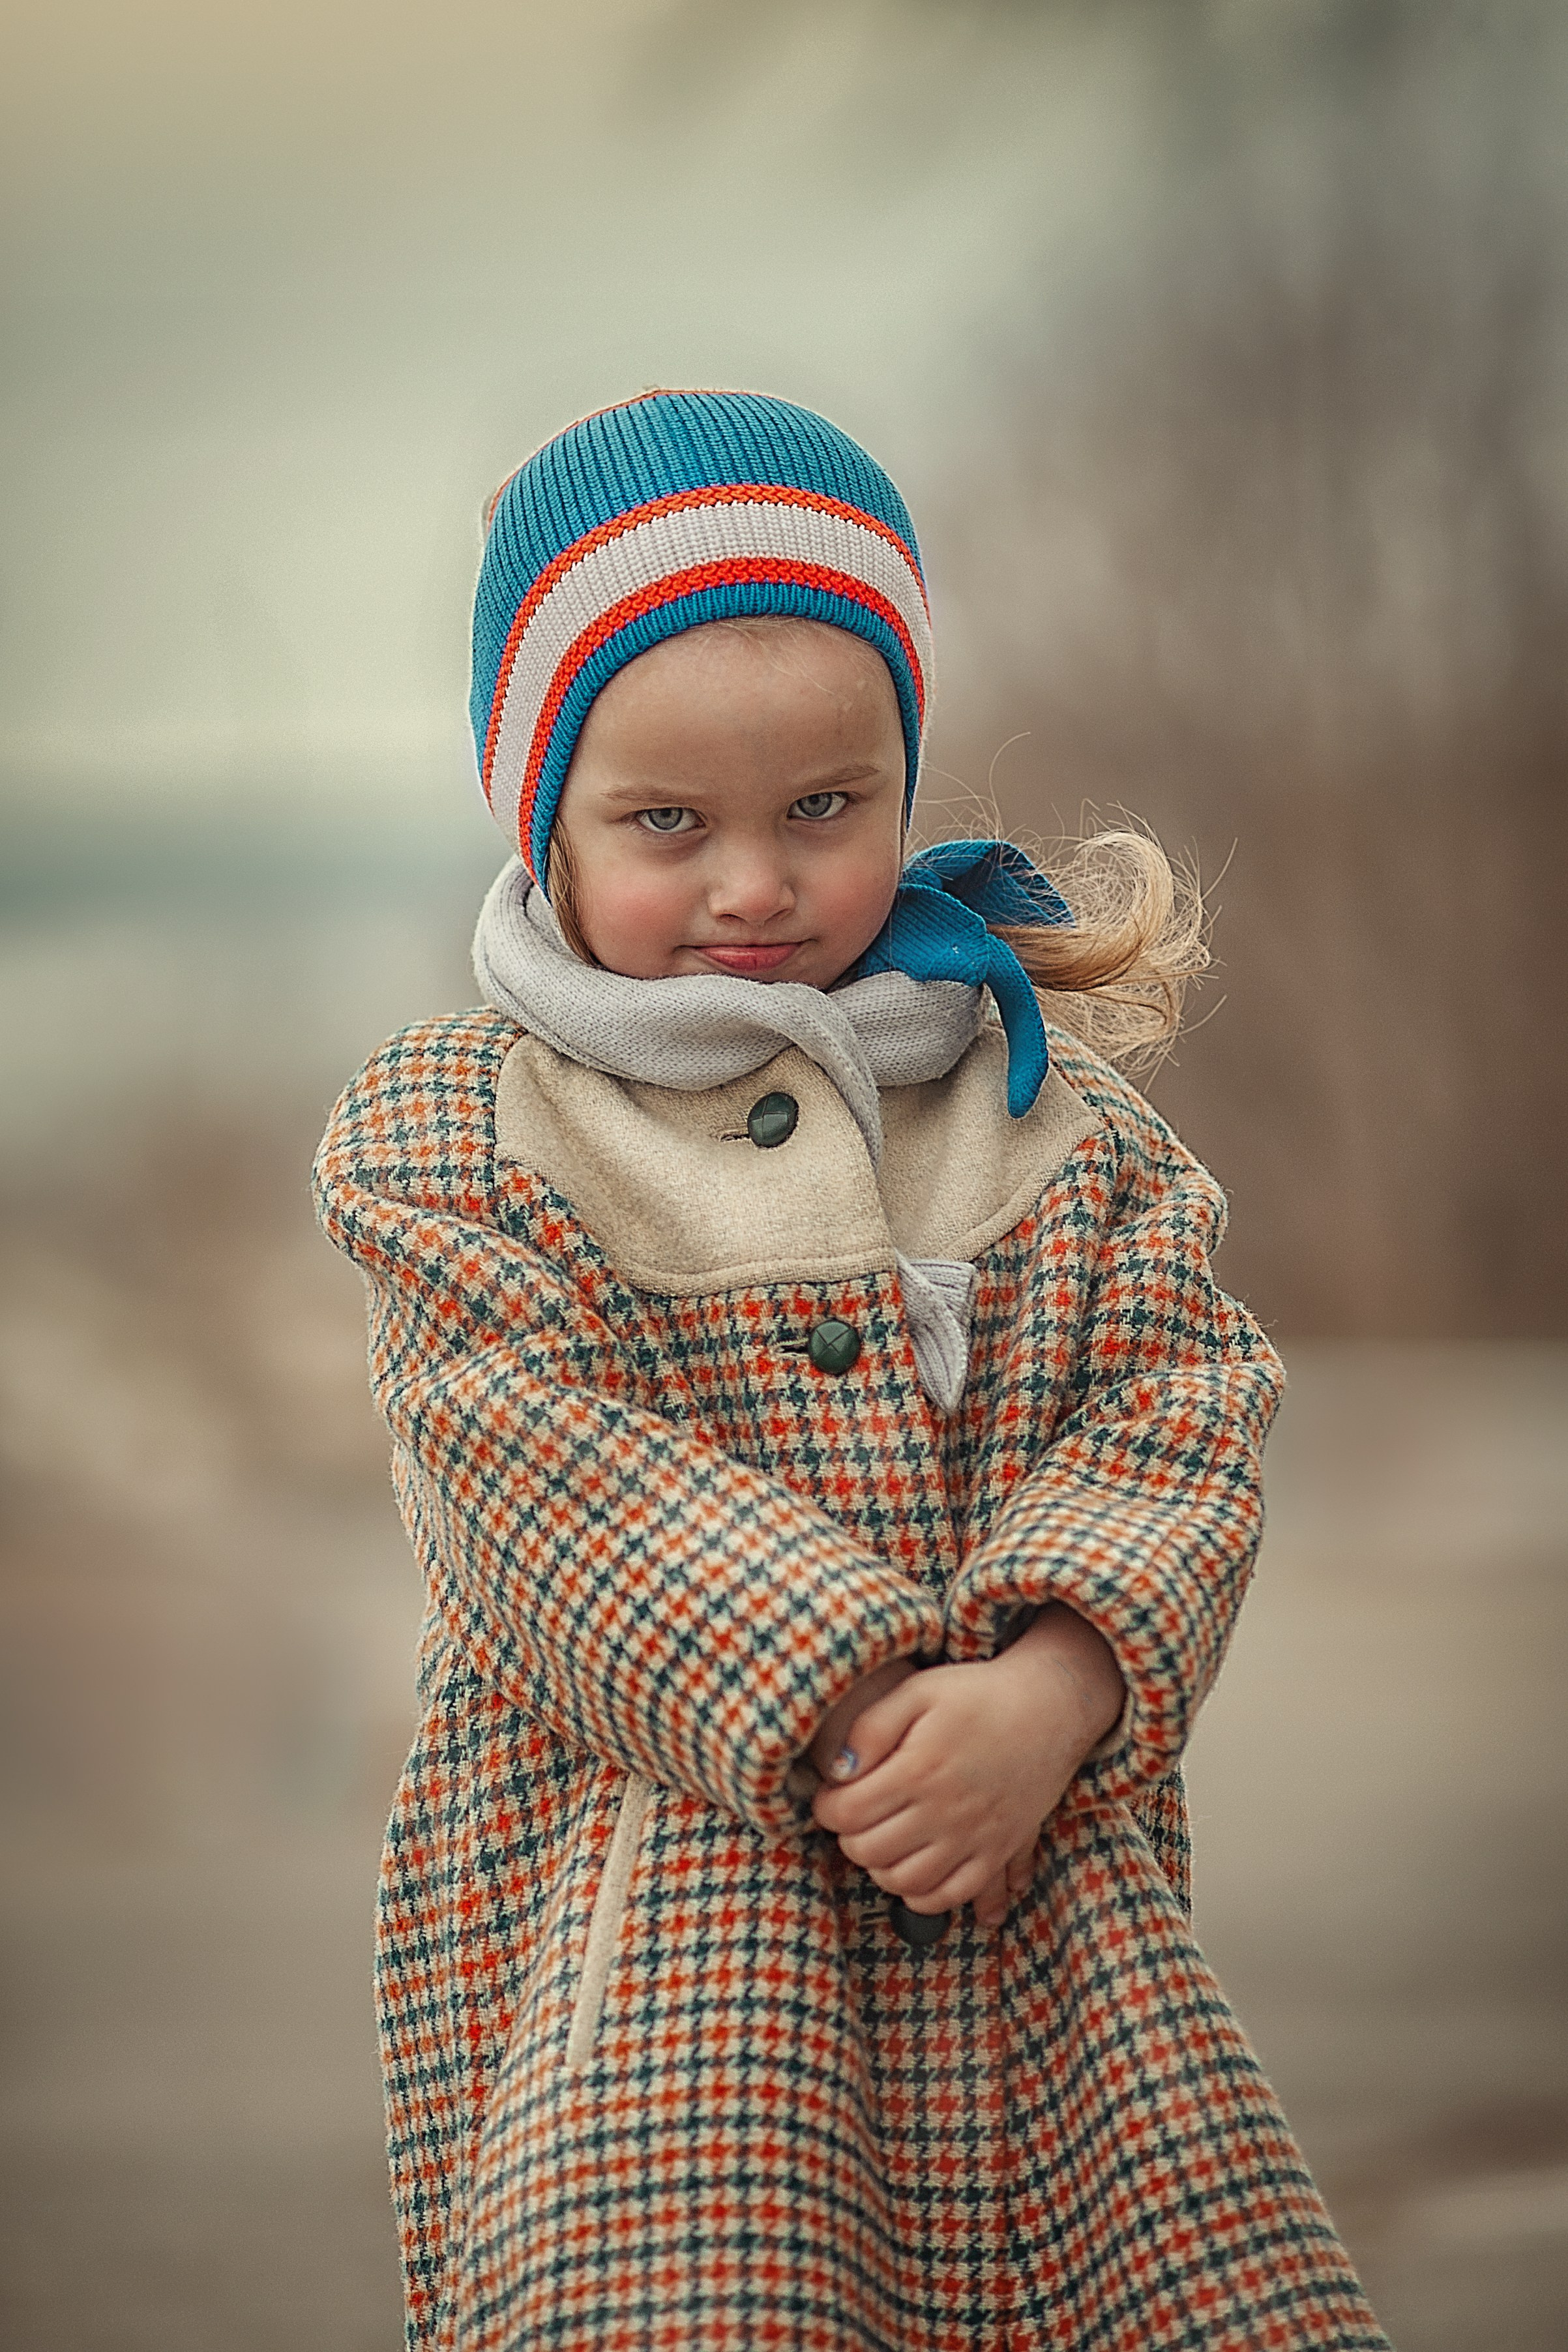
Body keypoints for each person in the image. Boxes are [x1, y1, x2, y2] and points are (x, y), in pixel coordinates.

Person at [314, 389, 1387, 2351]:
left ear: (907, 765)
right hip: (660, 1972)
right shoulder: (468, 1140)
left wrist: (1060, 1684)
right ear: (541, 809)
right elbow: (515, 1460)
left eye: (826, 805)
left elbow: (1184, 1407)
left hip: (1052, 1944)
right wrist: (859, 1692)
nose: (756, 883)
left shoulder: (1056, 1132)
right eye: (667, 824)